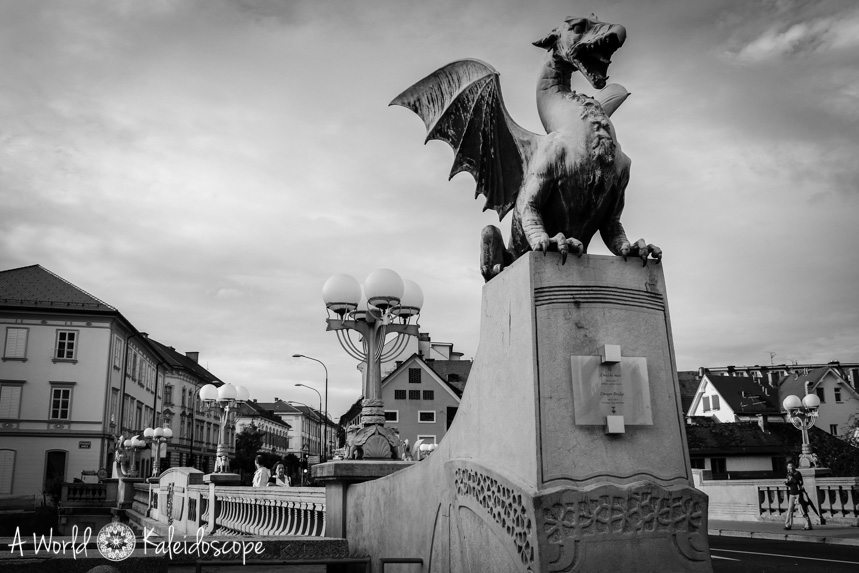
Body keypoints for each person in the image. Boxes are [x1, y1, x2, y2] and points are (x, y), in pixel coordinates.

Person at [784, 461, 811, 530]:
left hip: (798, 493)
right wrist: (787, 483)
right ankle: (788, 525)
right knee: (790, 510)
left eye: (792, 465)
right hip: (791, 493)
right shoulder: (788, 474)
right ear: (787, 467)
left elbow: (800, 483)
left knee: (802, 509)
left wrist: (793, 479)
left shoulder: (797, 473)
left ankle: (808, 525)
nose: (791, 467)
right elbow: (790, 484)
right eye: (789, 466)